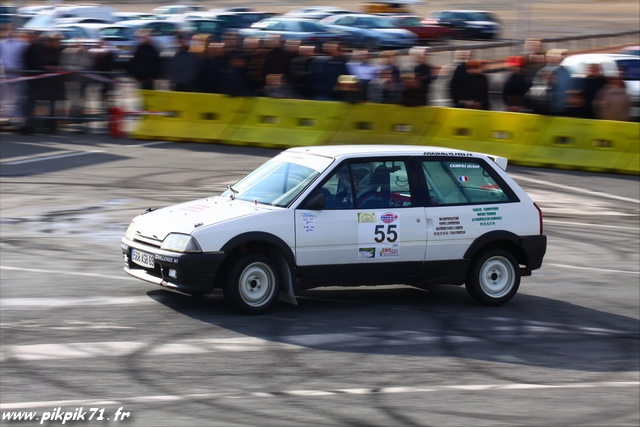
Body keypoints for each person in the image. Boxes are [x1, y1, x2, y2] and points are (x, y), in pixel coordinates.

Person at [0, 30, 27, 125]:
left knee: (18, 95)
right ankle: (9, 116)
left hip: (18, 73)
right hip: (6, 73)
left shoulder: (22, 44)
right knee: (7, 96)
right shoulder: (2, 44)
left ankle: (16, 116)